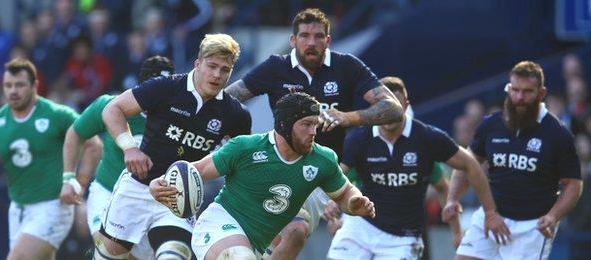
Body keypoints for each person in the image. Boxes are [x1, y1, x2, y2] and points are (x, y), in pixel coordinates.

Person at [224, 8, 404, 258]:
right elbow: (229, 98)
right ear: (293, 40)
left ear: (328, 41)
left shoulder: (346, 66)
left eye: (319, 36)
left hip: (322, 172)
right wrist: (232, 131)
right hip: (278, 163)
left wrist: (347, 117)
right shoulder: (276, 67)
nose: (312, 42)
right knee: (287, 232)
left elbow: (393, 108)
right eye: (305, 35)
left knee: (292, 234)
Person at [149, 92, 376, 260]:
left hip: (258, 244)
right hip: (219, 224)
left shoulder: (323, 159)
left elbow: (345, 192)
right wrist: (158, 185)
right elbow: (196, 170)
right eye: (306, 124)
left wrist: (355, 203)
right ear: (285, 125)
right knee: (241, 257)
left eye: (315, 125)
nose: (313, 132)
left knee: (297, 230)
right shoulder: (245, 147)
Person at [96, 33, 251, 260]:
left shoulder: (235, 114)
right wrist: (130, 148)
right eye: (212, 66)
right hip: (135, 190)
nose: (217, 75)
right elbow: (113, 109)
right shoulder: (165, 87)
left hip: (179, 199)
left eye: (225, 70)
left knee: (174, 256)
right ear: (197, 64)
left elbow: (239, 163)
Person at [323, 76, 507, 259]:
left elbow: (468, 165)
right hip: (361, 228)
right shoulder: (359, 139)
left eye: (394, 106)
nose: (389, 113)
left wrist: (462, 226)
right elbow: (337, 177)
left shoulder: (426, 138)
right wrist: (332, 207)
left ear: (405, 105)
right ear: (374, 108)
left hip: (403, 237)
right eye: (383, 107)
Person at [444, 61, 583, 259]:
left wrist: (553, 216)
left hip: (531, 226)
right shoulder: (491, 124)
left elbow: (573, 185)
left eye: (527, 92)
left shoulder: (558, 134)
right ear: (508, 89)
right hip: (491, 215)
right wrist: (452, 199)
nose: (519, 97)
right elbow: (466, 163)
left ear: (541, 93)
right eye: (515, 90)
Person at [0, 58, 101, 259]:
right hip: (17, 208)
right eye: (8, 85)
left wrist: (78, 185)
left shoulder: (57, 114)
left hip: (52, 206)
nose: (13, 91)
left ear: (34, 85)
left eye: (19, 85)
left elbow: (94, 144)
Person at [60, 55, 175, 259]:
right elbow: (75, 133)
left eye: (166, 90)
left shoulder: (180, 117)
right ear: (143, 87)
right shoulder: (112, 106)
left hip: (152, 201)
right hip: (107, 193)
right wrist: (69, 177)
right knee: (111, 253)